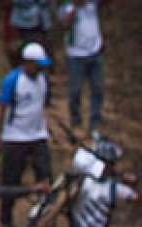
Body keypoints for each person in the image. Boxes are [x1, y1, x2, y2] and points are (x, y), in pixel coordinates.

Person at [0, 42, 52, 227]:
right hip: (15, 137)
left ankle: (45, 217)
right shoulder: (12, 81)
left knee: (45, 175)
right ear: (27, 63)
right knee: (11, 179)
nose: (40, 69)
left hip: (38, 135)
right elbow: (1, 107)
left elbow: (40, 106)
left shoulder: (43, 80)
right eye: (37, 65)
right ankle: (6, 217)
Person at [57, 0, 105, 134]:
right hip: (76, 55)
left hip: (95, 51)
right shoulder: (67, 7)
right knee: (75, 90)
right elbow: (64, 23)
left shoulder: (92, 4)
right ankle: (75, 121)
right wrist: (74, 10)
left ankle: (95, 122)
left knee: (97, 88)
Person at [9, 1, 54, 70]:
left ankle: (44, 69)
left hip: (42, 22)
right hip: (25, 23)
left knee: (43, 47)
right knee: (29, 48)